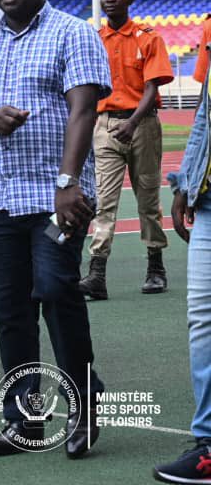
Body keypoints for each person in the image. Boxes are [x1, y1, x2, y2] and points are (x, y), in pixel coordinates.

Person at [0, 0, 109, 458]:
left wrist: (69, 181)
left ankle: (85, 405)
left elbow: (82, 112)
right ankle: (26, 420)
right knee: (9, 309)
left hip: (55, 196)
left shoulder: (73, 33)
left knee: (57, 291)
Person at [79, 0, 173, 300]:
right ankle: (97, 273)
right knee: (104, 201)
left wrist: (132, 123)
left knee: (148, 198)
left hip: (142, 124)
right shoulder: (94, 40)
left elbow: (152, 88)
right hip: (105, 126)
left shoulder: (148, 38)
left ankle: (155, 268)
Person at [160, 53, 211, 483]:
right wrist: (183, 183)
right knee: (203, 321)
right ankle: (208, 444)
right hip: (208, 203)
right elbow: (203, 118)